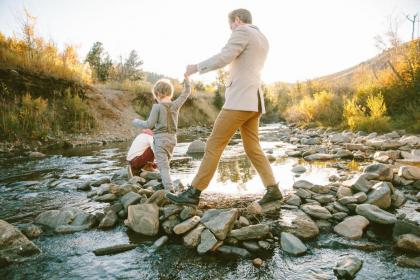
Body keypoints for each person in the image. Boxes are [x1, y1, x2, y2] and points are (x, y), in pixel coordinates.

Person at [166, 8, 283, 206]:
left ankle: (194, 193)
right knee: (252, 146)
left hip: (239, 100)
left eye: (230, 26)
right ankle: (273, 189)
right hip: (254, 101)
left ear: (237, 20)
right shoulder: (262, 37)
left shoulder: (242, 31)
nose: (231, 30)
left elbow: (224, 56)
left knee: (213, 145)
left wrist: (196, 67)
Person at [132, 77, 191, 191]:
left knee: (163, 166)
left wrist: (136, 121)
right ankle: (165, 183)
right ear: (170, 92)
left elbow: (149, 124)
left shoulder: (157, 107)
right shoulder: (175, 104)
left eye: (155, 96)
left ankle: (169, 190)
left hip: (160, 140)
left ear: (158, 94)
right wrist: (187, 80)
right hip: (172, 139)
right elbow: (186, 92)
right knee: (166, 165)